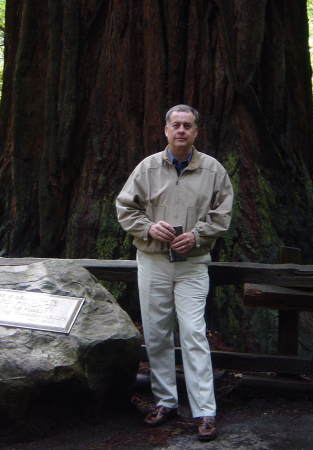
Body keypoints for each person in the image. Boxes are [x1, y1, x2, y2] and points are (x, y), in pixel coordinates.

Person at [116, 104, 233, 442]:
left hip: (193, 264)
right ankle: (165, 401)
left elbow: (222, 213)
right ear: (166, 129)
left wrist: (196, 235)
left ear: (196, 132)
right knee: (156, 333)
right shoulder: (147, 167)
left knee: (194, 333)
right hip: (152, 262)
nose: (181, 130)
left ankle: (204, 411)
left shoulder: (212, 170)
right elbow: (125, 207)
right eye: (176, 125)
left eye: (188, 125)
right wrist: (150, 228)